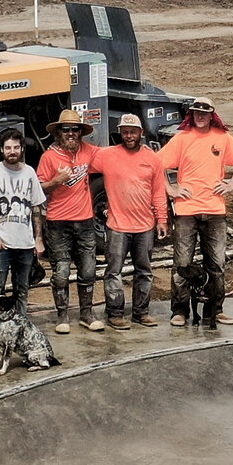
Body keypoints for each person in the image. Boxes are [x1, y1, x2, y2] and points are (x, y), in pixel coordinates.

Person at [159, 96, 233, 330]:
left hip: (215, 210)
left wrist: (231, 184)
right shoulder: (182, 138)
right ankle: (179, 311)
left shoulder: (222, 138)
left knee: (216, 263)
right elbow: (158, 164)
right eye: (196, 112)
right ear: (191, 114)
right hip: (186, 210)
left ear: (211, 115)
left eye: (204, 113)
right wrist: (171, 189)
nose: (200, 116)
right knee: (183, 263)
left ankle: (215, 310)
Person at [92, 112, 168, 328]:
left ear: (141, 133)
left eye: (133, 132)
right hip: (117, 226)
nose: (129, 136)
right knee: (113, 271)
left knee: (144, 271)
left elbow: (159, 192)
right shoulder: (107, 155)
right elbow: (82, 160)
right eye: (125, 132)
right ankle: (115, 313)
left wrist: (162, 219)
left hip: (145, 226)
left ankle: (141, 312)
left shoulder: (152, 159)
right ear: (120, 133)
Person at [36, 109, 101, 334]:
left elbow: (112, 158)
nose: (71, 133)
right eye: (67, 130)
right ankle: (62, 315)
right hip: (58, 221)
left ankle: (87, 313)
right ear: (59, 133)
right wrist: (57, 181)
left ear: (81, 132)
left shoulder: (89, 151)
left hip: (85, 220)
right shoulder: (49, 157)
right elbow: (39, 189)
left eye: (75, 129)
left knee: (88, 269)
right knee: (61, 271)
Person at [0, 128, 46, 319]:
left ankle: (20, 331)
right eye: (8, 147)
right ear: (1, 149)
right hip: (0, 245)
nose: (12, 151)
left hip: (25, 245)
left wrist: (38, 239)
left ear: (22, 148)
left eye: (16, 147)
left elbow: (36, 209)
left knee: (22, 292)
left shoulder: (30, 172)